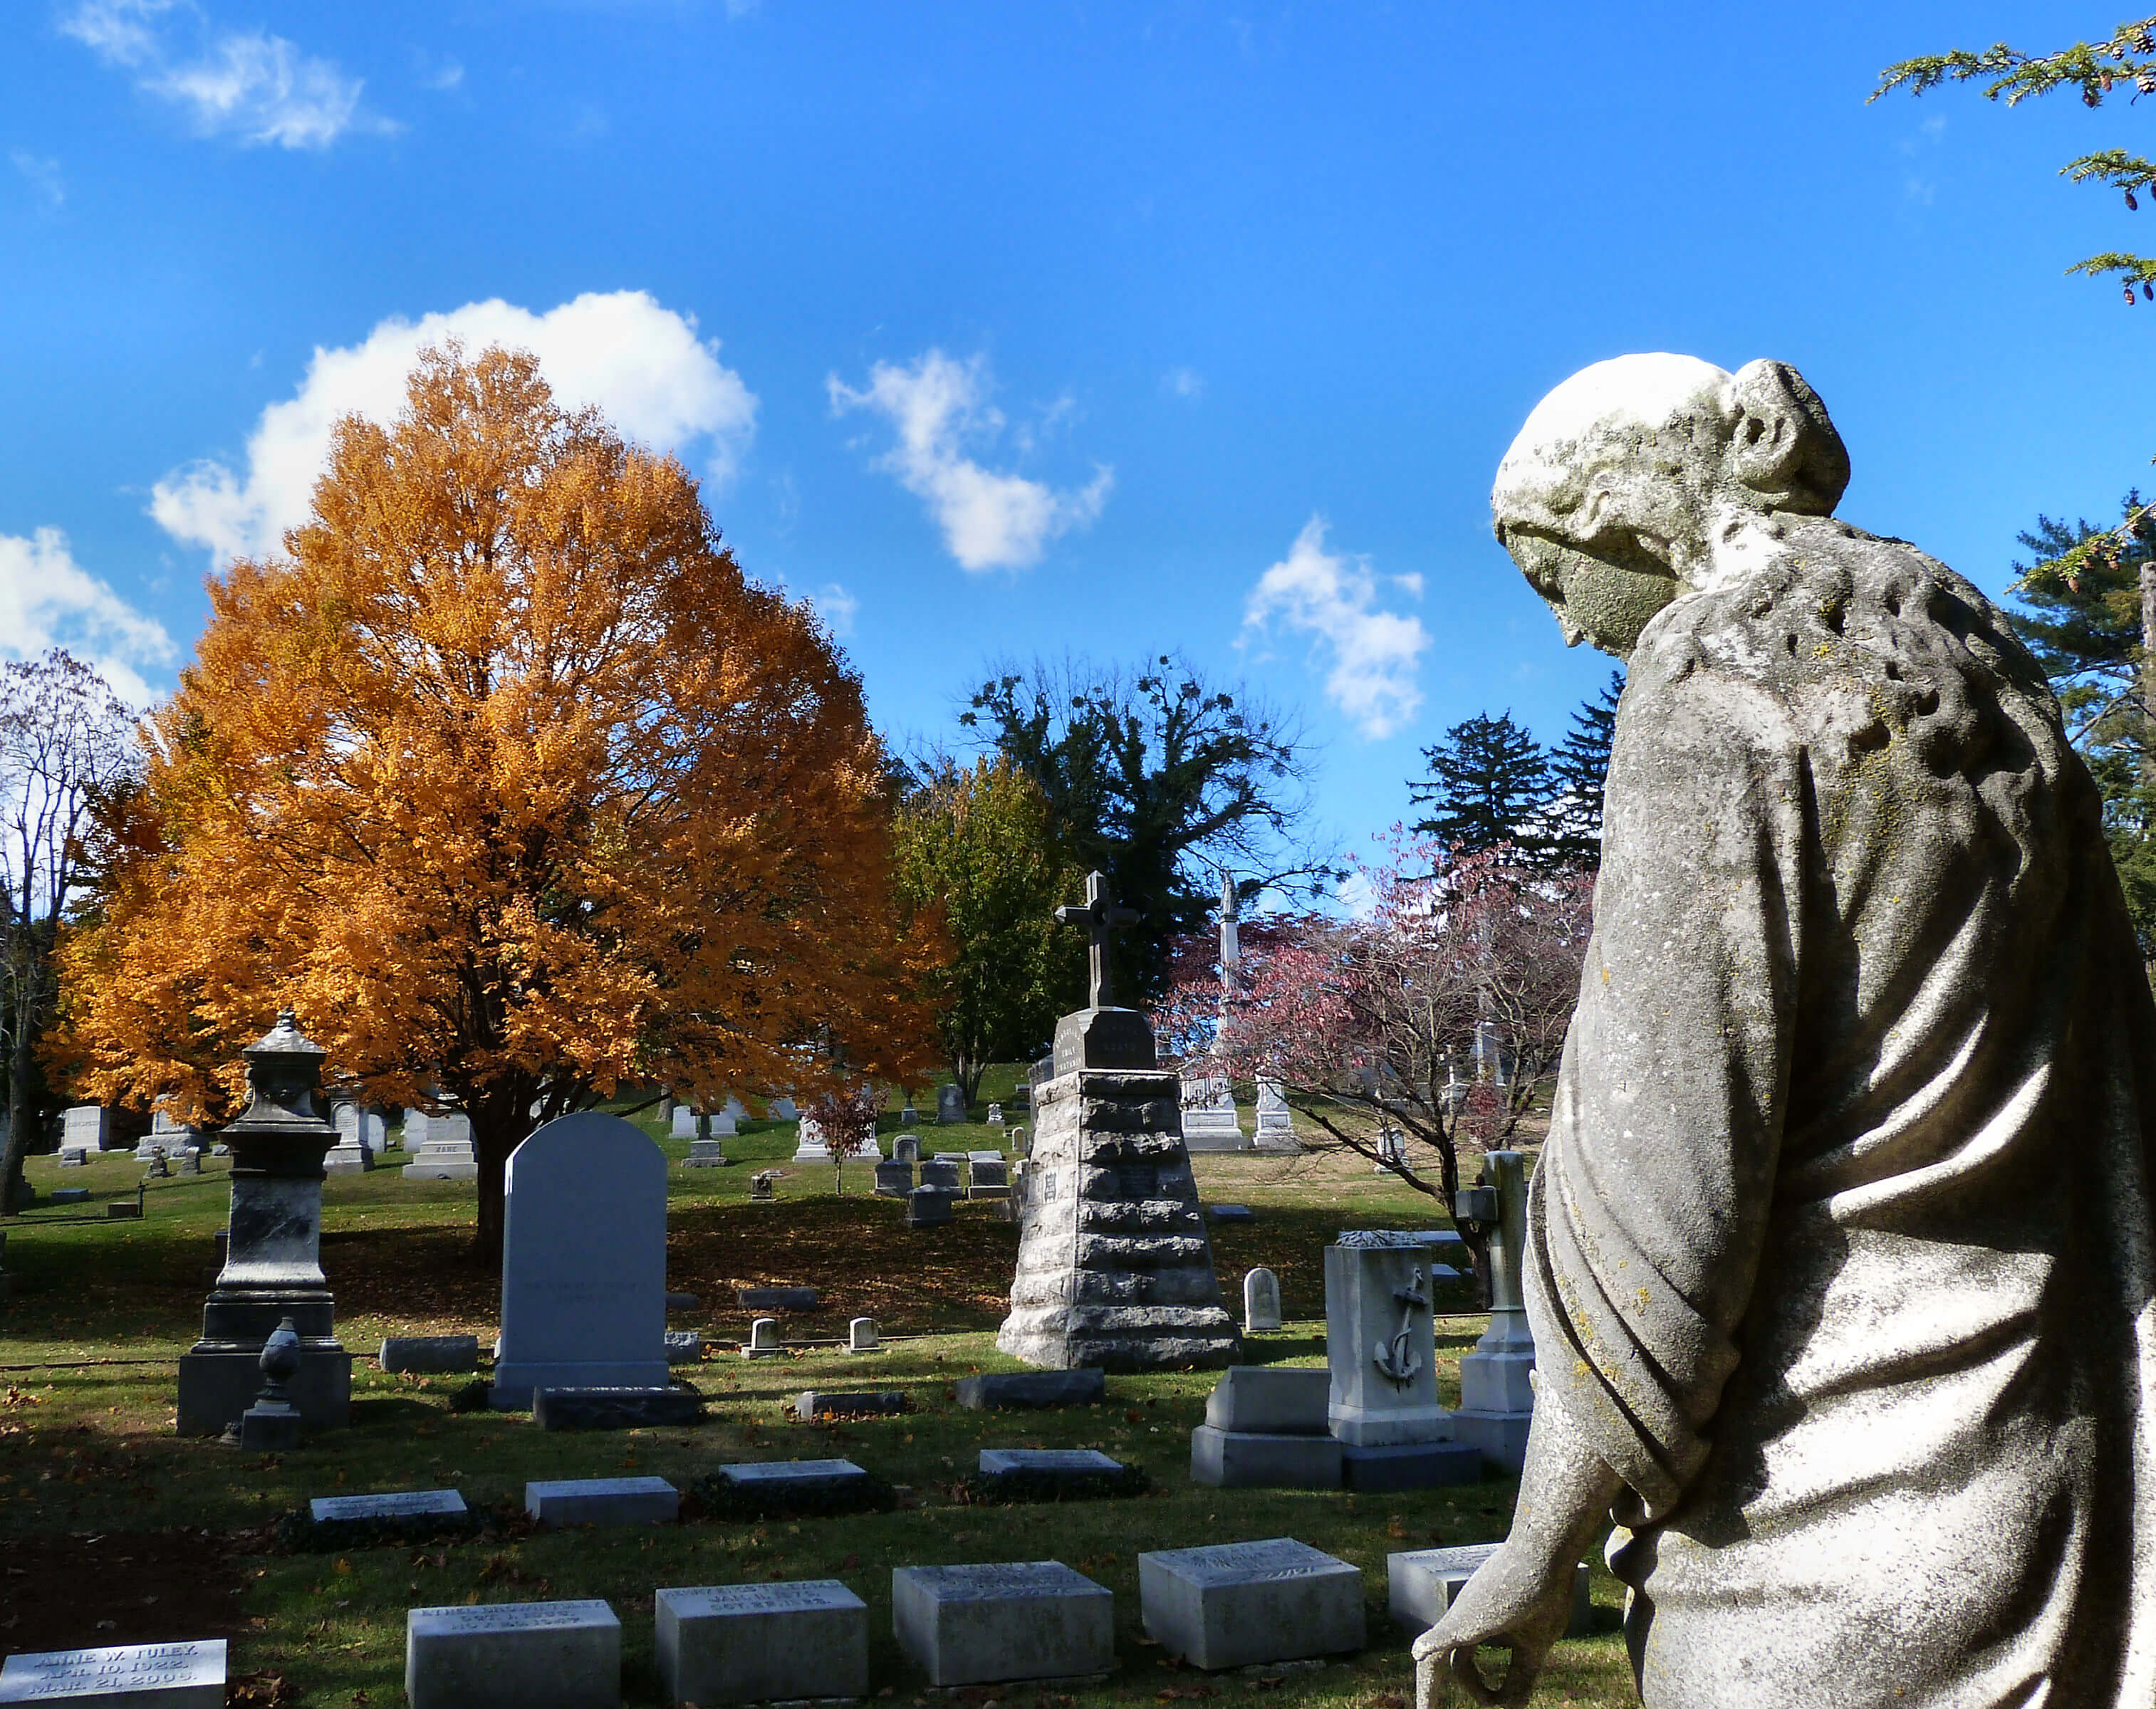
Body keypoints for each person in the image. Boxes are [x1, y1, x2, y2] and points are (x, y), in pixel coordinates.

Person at [1416, 355, 2156, 1708]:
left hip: (1821, 1512)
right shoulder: (1987, 675)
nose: (1569, 630)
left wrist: (1538, 1549)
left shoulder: (1710, 676)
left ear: (1627, 520)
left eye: (1551, 578)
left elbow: (1663, 1182)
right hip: (2062, 1459)